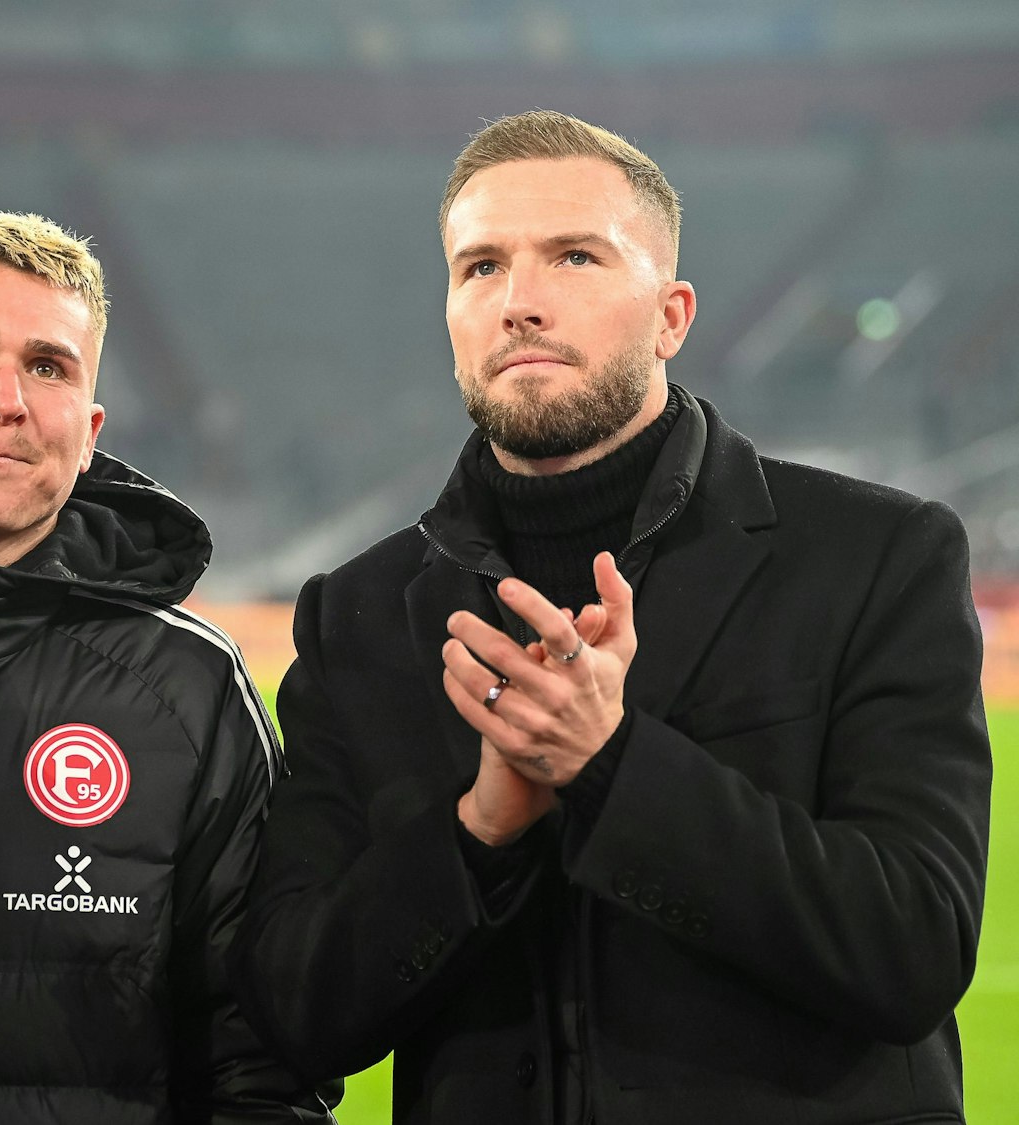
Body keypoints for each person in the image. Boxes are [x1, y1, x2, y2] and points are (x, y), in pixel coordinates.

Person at [235, 110, 992, 1124]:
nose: (519, 302)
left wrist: (611, 765)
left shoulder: (875, 555)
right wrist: (478, 834)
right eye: (480, 267)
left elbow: (912, 949)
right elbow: (296, 1014)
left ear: (670, 317)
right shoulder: (357, 617)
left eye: (574, 257)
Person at [0, 212, 337, 1123]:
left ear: (89, 431)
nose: (5, 399)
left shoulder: (189, 692)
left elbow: (261, 1070)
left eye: (48, 366)